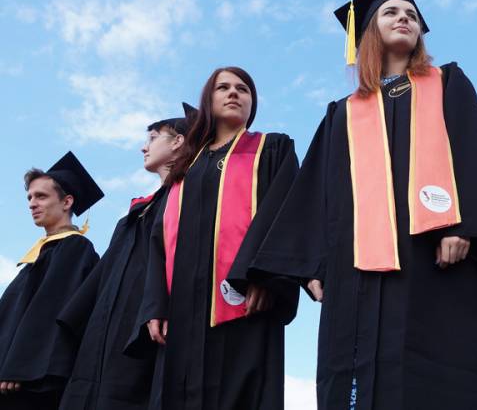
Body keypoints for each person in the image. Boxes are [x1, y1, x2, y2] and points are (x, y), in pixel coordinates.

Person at [245, 0, 477, 410]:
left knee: (446, 370)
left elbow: (473, 150)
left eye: (411, 14)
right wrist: (315, 265)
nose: (404, 18)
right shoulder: (343, 113)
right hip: (360, 269)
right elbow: (318, 192)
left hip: (438, 254)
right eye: (391, 12)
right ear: (370, 31)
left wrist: (462, 224)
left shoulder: (447, 82)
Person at [133, 67, 300, 410]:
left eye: (243, 88)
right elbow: (159, 241)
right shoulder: (186, 168)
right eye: (223, 87)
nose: (233, 92)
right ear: (208, 100)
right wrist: (156, 305)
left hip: (244, 300)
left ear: (253, 103)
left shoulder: (271, 148)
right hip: (182, 311)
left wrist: (265, 275)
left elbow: (288, 211)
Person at [56, 107, 192, 410]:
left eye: (153, 138)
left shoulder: (187, 199)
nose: (144, 147)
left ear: (178, 142)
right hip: (104, 331)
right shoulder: (139, 210)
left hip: (146, 327)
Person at [0, 152, 104, 409]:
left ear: (67, 201)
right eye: (29, 197)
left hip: (32, 383)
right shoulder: (40, 253)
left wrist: (18, 366)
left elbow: (48, 311)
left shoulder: (75, 248)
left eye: (41, 196)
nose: (32, 204)